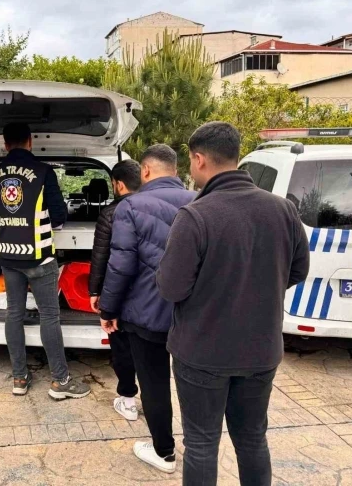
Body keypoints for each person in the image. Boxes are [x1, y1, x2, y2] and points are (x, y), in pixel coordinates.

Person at [156, 122, 310, 486]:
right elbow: (298, 270)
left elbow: (172, 288)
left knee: (201, 443)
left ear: (199, 159)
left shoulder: (195, 215)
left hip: (202, 352)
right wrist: (259, 290)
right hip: (261, 349)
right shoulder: (283, 210)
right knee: (253, 438)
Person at [99, 144, 197, 473]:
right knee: (193, 384)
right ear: (176, 169)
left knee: (154, 383)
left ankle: (164, 452)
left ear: (145, 171)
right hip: (192, 314)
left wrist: (108, 310)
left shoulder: (130, 206)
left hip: (146, 315)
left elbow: (120, 267)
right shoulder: (201, 201)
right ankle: (199, 450)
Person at [0, 122, 90, 400]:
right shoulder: (43, 172)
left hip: (8, 256)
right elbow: (59, 215)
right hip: (40, 258)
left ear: (5, 144)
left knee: (14, 315)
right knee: (49, 316)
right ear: (30, 141)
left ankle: (19, 378)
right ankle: (60, 381)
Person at [88, 160, 142, 421]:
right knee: (149, 351)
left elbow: (101, 257)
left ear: (118, 184)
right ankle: (153, 402)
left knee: (121, 347)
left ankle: (128, 400)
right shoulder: (155, 207)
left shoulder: (110, 213)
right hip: (150, 294)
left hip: (119, 292)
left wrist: (95, 292)